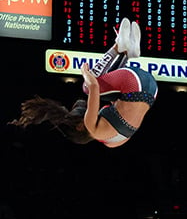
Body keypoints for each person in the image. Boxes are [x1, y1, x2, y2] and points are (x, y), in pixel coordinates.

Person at [10, 17, 157, 147]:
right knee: (87, 87)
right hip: (134, 85)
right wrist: (85, 73)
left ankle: (129, 53)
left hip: (150, 90)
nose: (84, 114)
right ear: (80, 127)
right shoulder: (90, 125)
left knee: (110, 94)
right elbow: (93, 87)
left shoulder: (112, 142)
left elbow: (122, 98)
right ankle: (117, 46)